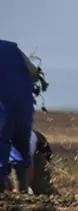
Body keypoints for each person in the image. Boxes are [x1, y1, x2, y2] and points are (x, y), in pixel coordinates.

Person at [0, 40, 40, 193]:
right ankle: (22, 190)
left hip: (2, 103)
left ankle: (2, 192)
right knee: (20, 144)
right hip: (24, 102)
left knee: (2, 142)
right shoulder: (13, 48)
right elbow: (34, 73)